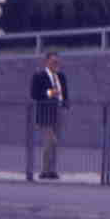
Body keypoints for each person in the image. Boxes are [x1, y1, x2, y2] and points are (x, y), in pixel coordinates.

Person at [28, 52, 69, 180]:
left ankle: (52, 170)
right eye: (53, 62)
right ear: (46, 62)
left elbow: (64, 92)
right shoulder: (39, 76)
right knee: (50, 141)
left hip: (58, 112)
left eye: (57, 62)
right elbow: (34, 94)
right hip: (45, 113)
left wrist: (65, 104)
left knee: (55, 143)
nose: (56, 64)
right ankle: (44, 170)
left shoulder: (61, 76)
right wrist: (51, 92)